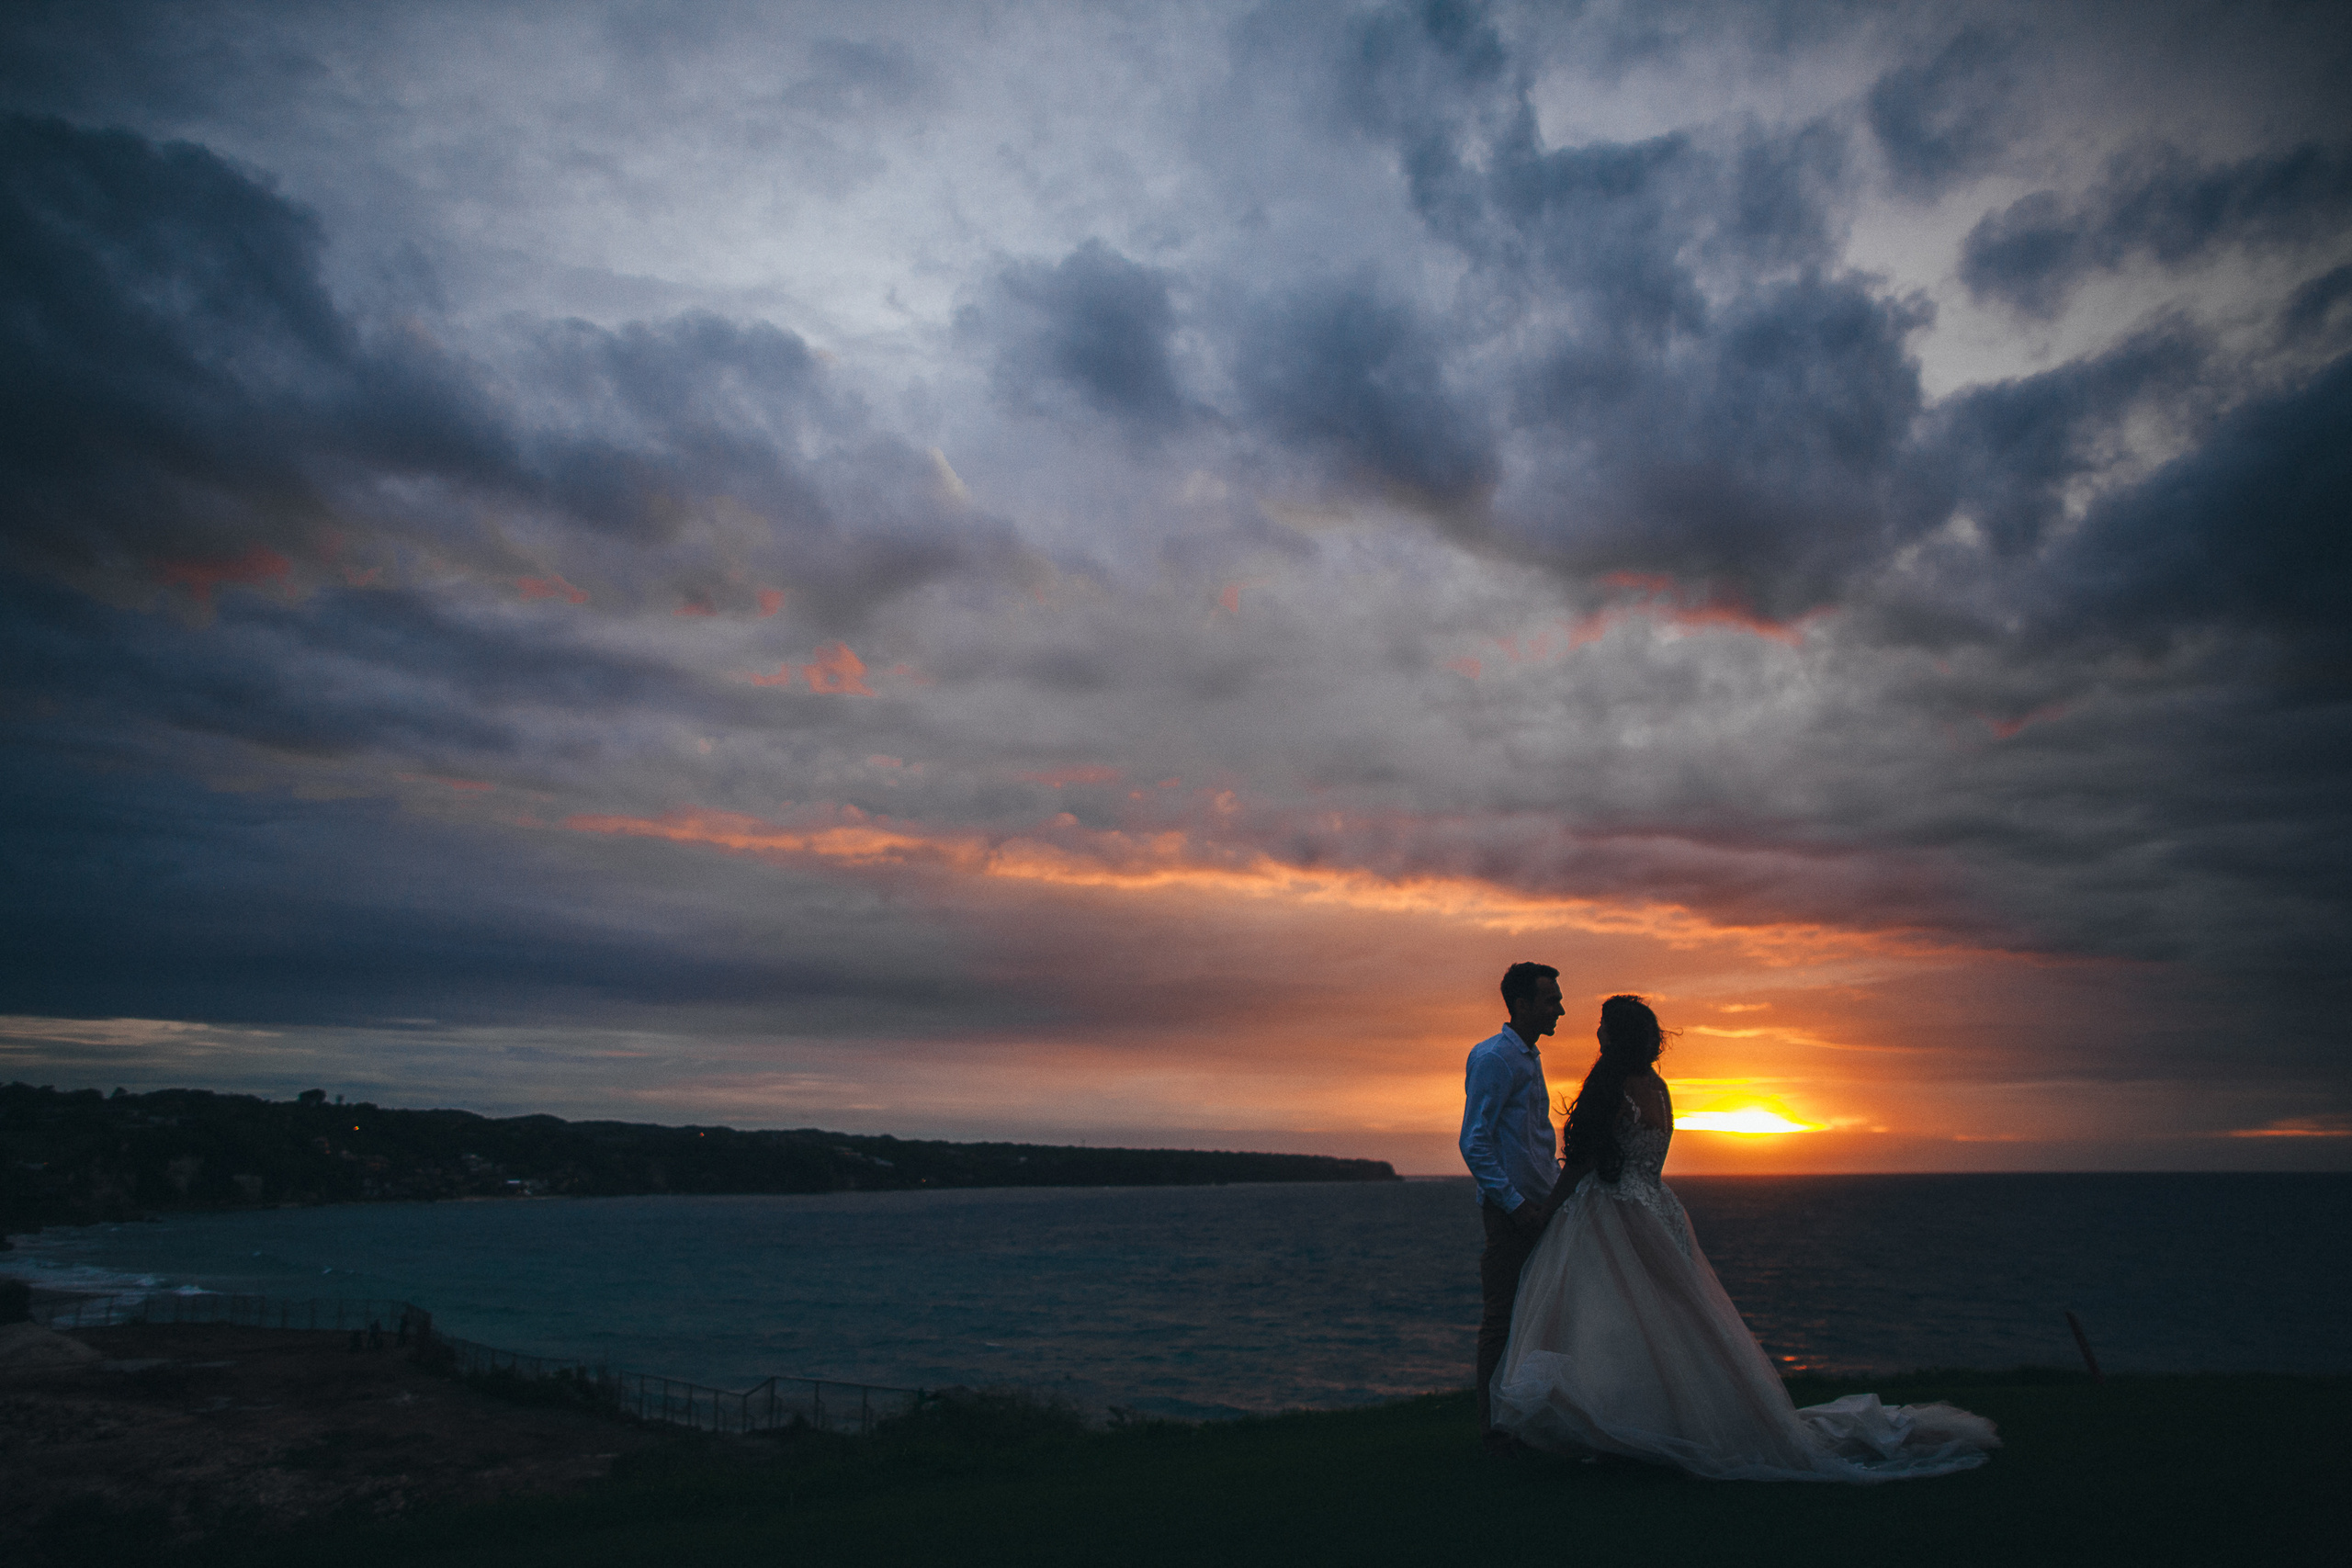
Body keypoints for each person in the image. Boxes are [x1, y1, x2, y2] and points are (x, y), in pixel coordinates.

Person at [1489, 995, 2001, 1482]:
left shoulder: (1612, 1087)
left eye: (1603, 1025)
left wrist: (1548, 1215)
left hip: (1613, 1215)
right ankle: (1646, 1431)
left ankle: (1629, 1434)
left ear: (1616, 1036)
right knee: (1662, 1326)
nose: (1595, 1031)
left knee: (1616, 1324)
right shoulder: (1659, 1088)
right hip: (1657, 1209)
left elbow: (1580, 1163)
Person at [1459, 960, 1566, 1450]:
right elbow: (1474, 1141)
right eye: (1550, 999)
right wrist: (1515, 1203)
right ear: (1522, 1004)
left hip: (1540, 1206)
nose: (1560, 1009)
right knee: (1502, 1315)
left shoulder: (1527, 1057)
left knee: (1542, 1312)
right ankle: (1492, 1427)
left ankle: (1527, 1412)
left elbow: (1533, 1141)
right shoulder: (1496, 1059)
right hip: (1512, 1212)